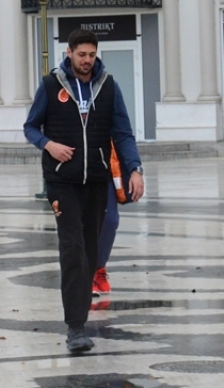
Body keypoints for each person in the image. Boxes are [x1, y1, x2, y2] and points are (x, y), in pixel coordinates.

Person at [23, 29, 144, 354]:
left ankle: (80, 311)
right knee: (73, 249)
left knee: (90, 251)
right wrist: (49, 145)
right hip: (63, 182)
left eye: (91, 55)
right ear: (69, 52)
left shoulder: (108, 87)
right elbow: (30, 127)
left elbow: (123, 132)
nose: (87, 61)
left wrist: (135, 169)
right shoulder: (51, 86)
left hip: (97, 182)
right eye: (81, 55)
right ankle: (75, 328)